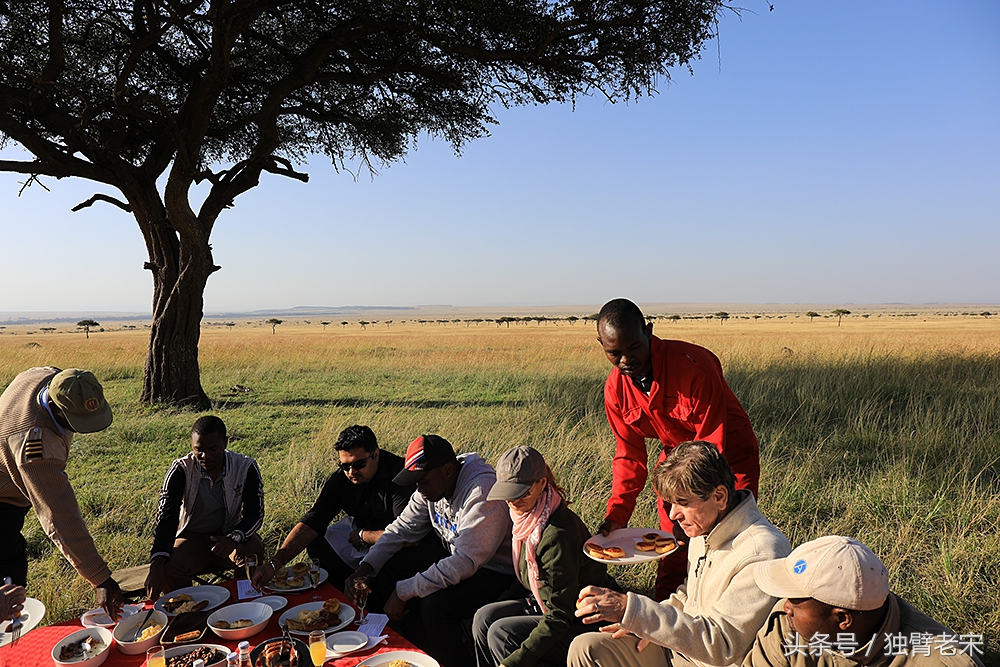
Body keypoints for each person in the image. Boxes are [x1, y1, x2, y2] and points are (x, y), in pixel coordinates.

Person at [569, 441, 791, 667]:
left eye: (683, 503)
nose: (673, 514)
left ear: (720, 496)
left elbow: (722, 645)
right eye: (671, 503)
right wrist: (644, 623)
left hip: (712, 661)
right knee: (585, 648)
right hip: (680, 647)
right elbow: (689, 596)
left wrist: (635, 610)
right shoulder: (704, 527)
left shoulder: (762, 552)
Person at [595, 298, 761, 599]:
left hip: (729, 455)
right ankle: (663, 618)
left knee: (727, 536)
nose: (626, 360)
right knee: (674, 541)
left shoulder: (693, 366)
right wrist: (617, 516)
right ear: (602, 346)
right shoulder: (615, 389)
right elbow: (629, 456)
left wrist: (691, 506)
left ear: (648, 331)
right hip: (675, 458)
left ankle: (725, 611)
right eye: (614, 353)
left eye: (634, 347)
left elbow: (712, 443)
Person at [347, 435, 517, 667]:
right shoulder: (429, 489)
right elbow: (400, 530)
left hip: (497, 570)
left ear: (447, 470)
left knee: (435, 605)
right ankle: (416, 653)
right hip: (459, 557)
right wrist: (364, 569)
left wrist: (403, 591)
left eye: (423, 481)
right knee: (391, 567)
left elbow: (465, 561)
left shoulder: (482, 492)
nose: (419, 488)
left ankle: (452, 662)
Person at [474, 446, 618, 667]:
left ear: (542, 483)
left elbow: (559, 616)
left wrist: (511, 663)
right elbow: (532, 583)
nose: (513, 501)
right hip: (547, 604)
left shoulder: (556, 534)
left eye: (523, 492)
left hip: (582, 618)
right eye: (508, 493)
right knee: (484, 618)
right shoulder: (526, 519)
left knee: (502, 634)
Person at [744, 536, 985, 667]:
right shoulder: (787, 627)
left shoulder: (941, 661)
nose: (786, 607)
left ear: (842, 619)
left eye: (796, 603)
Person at [0, 367, 125, 618]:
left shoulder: (47, 377)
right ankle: (10, 651)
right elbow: (59, 517)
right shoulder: (36, 447)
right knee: (7, 591)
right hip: (2, 504)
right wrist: (101, 579)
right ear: (57, 408)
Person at [251, 424, 418, 592]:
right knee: (318, 542)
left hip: (396, 543)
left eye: (359, 464)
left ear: (375, 454)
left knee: (396, 562)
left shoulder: (399, 477)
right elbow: (314, 519)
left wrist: (364, 536)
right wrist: (275, 563)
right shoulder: (342, 479)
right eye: (345, 466)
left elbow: (407, 536)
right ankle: (342, 592)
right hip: (360, 537)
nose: (351, 472)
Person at [145, 415, 265, 598]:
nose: (205, 456)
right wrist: (157, 563)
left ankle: (245, 602)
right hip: (191, 539)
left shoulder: (245, 466)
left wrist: (233, 538)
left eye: (213, 449)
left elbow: (255, 514)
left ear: (225, 443)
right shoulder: (181, 469)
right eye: (198, 450)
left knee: (253, 550)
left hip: (230, 538)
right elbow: (166, 518)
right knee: (170, 563)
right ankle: (187, 613)